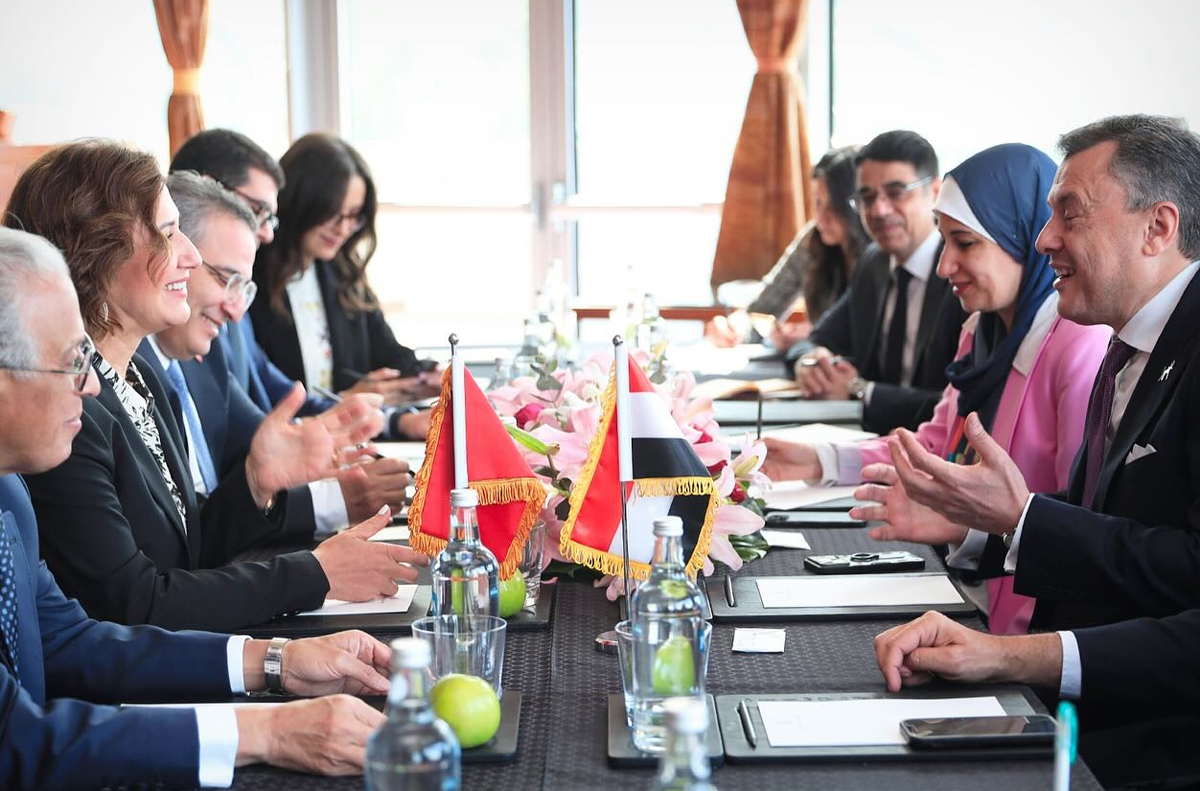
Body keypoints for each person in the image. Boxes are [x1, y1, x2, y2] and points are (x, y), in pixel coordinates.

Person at [0, 226, 403, 789]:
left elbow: (67, 641)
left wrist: (276, 661)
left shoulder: (10, 493)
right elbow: (14, 739)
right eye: (72, 361)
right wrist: (265, 732)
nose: (90, 387)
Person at [874, 114, 1200, 787]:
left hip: (1153, 742)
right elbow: (1102, 520)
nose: (1045, 238)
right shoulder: (1129, 341)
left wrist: (1007, 652)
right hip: (1092, 707)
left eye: (1069, 214)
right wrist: (977, 524)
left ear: (1158, 227)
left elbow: (1187, 571)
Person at [4, 140, 428, 631]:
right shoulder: (64, 407)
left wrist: (254, 482)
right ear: (96, 250)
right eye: (169, 234)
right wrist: (312, 575)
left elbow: (190, 549)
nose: (189, 255)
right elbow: (134, 603)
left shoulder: (142, 377)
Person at [761, 144, 1110, 634]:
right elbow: (935, 445)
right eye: (944, 242)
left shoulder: (1078, 346)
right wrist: (821, 460)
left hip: (1027, 621)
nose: (945, 266)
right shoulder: (982, 329)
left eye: (964, 243)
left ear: (1024, 237)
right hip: (965, 583)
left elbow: (1077, 515)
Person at [151, 170, 409, 534]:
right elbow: (178, 548)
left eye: (242, 288)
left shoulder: (205, 357)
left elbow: (261, 450)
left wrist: (333, 448)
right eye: (225, 279)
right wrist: (329, 505)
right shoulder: (124, 376)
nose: (236, 312)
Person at [250, 133, 436, 430]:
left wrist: (430, 375)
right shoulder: (250, 281)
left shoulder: (342, 273)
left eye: (353, 216)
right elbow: (260, 401)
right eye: (333, 214)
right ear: (301, 203)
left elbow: (388, 353)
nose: (344, 228)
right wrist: (346, 400)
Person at [790, 130, 966, 433]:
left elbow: (958, 406)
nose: (879, 210)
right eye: (867, 197)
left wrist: (861, 390)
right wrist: (810, 363)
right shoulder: (873, 263)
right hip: (864, 441)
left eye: (897, 193)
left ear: (935, 191)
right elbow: (816, 339)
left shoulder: (961, 272)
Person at [706, 146, 869, 349]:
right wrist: (735, 328)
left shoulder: (878, 254)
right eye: (817, 202)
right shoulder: (813, 240)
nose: (821, 216)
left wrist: (815, 337)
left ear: (857, 205)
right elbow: (762, 309)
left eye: (833, 206)